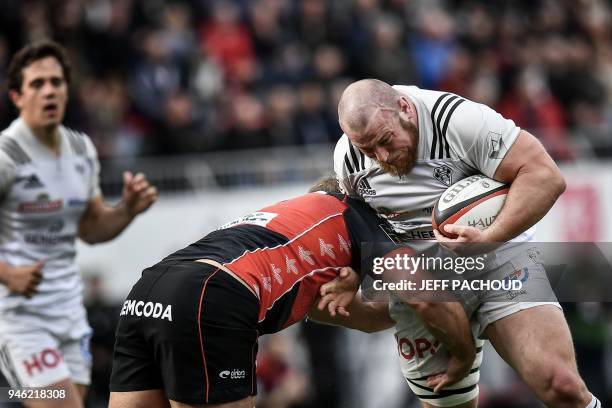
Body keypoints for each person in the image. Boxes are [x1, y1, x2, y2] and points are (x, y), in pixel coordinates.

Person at [333, 78, 600, 407]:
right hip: (427, 284)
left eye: (386, 140)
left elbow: (545, 176)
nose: (381, 156)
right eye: (368, 149)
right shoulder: (348, 160)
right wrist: (357, 279)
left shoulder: (458, 119)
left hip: (497, 258)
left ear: (404, 108)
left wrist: (491, 236)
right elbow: (360, 229)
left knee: (562, 386)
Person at [108, 184, 476, 408]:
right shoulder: (360, 218)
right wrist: (461, 355)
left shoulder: (292, 223)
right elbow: (427, 298)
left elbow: (369, 318)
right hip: (211, 292)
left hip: (146, 291)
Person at [0, 40, 157, 408]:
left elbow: (91, 229)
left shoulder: (81, 149)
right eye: (37, 84)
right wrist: (7, 274)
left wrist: (128, 209)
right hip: (19, 317)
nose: (49, 90)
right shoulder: (6, 155)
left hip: (69, 312)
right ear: (17, 96)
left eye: (56, 82)